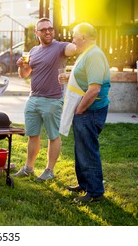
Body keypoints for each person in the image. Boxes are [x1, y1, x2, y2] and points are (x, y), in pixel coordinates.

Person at [13, 17, 76, 181]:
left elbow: (74, 49)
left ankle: (49, 170)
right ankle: (29, 168)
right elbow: (25, 75)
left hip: (52, 100)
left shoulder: (60, 47)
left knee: (53, 135)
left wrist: (79, 42)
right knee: (32, 135)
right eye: (43, 29)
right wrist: (22, 66)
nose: (48, 31)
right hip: (33, 98)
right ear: (36, 33)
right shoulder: (33, 51)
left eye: (50, 28)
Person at [62, 23, 110, 203]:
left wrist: (80, 109)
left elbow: (94, 89)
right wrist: (68, 78)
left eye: (75, 36)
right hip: (85, 111)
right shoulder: (87, 53)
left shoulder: (95, 55)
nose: (73, 39)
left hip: (89, 111)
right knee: (81, 148)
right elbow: (85, 78)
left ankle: (95, 192)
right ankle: (84, 184)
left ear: (83, 37)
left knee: (88, 150)